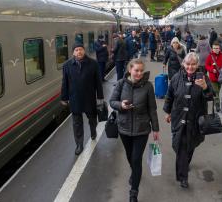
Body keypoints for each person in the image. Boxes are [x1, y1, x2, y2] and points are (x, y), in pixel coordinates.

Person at [109, 59, 160, 202]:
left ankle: (133, 192)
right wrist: (121, 105)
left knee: (136, 159)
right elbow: (112, 101)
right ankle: (135, 172)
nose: (139, 73)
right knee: (130, 156)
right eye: (136, 70)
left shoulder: (148, 86)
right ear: (130, 70)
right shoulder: (121, 83)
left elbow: (152, 109)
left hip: (142, 129)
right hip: (124, 128)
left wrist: (155, 128)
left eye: (141, 71)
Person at [163, 52, 214, 189]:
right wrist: (167, 112)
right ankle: (183, 176)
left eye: (193, 64)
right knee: (180, 145)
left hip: (196, 119)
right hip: (179, 117)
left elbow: (211, 97)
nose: (190, 67)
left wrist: (204, 87)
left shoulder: (203, 78)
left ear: (197, 65)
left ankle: (184, 164)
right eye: (188, 64)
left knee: (190, 145)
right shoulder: (176, 78)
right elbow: (169, 96)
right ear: (183, 64)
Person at [61, 43, 104, 155]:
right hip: (75, 98)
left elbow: (98, 82)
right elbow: (65, 83)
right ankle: (79, 144)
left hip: (89, 98)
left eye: (80, 49)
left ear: (84, 51)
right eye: (76, 50)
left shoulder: (93, 64)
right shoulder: (67, 65)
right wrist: (64, 98)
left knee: (92, 119)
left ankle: (93, 131)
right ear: (73, 52)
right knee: (77, 123)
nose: (79, 52)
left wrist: (100, 97)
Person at [205, 41, 222, 110]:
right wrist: (211, 69)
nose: (216, 50)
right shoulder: (210, 56)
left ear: (219, 48)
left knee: (218, 90)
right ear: (212, 48)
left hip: (220, 77)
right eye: (214, 48)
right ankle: (217, 105)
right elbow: (206, 65)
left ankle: (214, 101)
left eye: (217, 48)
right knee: (216, 92)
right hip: (213, 78)